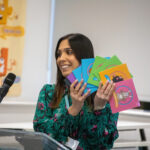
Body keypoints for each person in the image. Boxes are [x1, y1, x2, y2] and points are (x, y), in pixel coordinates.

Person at [33, 33, 119, 150]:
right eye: (58, 54)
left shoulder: (107, 93)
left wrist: (99, 107)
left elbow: (103, 145)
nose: (61, 59)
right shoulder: (48, 92)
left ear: (83, 56)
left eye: (68, 52)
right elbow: (41, 136)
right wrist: (73, 109)